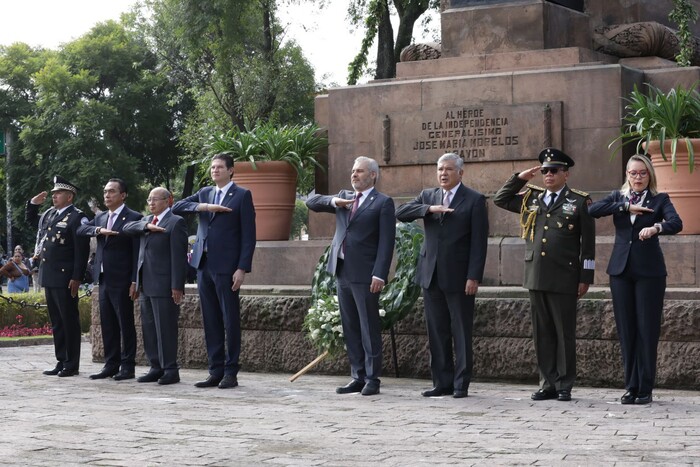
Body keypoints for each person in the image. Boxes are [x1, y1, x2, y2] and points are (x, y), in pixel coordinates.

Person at [494, 148, 595, 402]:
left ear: (566, 174)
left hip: (565, 276)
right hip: (536, 274)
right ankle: (547, 382)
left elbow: (589, 244)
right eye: (545, 171)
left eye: (554, 171)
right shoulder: (532, 198)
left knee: (563, 333)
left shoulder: (579, 201)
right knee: (543, 333)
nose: (548, 175)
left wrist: (586, 277)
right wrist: (521, 177)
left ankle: (564, 384)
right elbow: (501, 199)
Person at [588, 155, 682, 405]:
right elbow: (591, 210)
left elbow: (676, 222)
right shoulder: (617, 198)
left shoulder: (660, 199)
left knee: (646, 329)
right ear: (627, 175)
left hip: (649, 273)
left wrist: (656, 228)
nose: (637, 178)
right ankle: (630, 386)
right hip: (620, 270)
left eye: (642, 173)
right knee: (626, 330)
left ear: (649, 175)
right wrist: (624, 207)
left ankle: (645, 388)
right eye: (633, 173)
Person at [396, 153, 489, 399]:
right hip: (430, 275)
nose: (443, 174)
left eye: (448, 169)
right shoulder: (428, 196)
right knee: (437, 331)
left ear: (461, 172)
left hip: (460, 278)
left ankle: (461, 384)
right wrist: (429, 209)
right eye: (439, 169)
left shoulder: (474, 200)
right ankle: (441, 382)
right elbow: (401, 212)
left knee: (460, 331)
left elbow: (479, 243)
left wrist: (474, 276)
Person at [306, 156, 395, 396]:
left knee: (368, 327)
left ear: (373, 175)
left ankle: (372, 379)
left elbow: (386, 243)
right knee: (350, 327)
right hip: (342, 271)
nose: (354, 175)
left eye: (360, 171)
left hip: (366, 274)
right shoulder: (344, 196)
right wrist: (334, 201)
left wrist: (380, 274)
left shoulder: (383, 203)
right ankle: (357, 376)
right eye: (353, 171)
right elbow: (312, 202)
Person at [172, 154, 256, 389]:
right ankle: (215, 370)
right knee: (210, 320)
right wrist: (204, 206)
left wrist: (242, 268)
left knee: (229, 319)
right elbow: (178, 206)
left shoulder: (242, 195)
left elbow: (249, 236)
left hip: (227, 266)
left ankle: (231, 371)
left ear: (231, 171)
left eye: (220, 167)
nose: (215, 170)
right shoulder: (205, 193)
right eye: (212, 167)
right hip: (203, 264)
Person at [76, 178, 142, 381]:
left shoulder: (134, 217)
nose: (107, 195)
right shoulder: (101, 217)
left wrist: (134, 280)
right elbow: (81, 230)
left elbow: (136, 252)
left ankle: (127, 365)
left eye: (112, 191)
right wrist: (98, 230)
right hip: (103, 279)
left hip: (122, 279)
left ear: (123, 195)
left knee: (125, 323)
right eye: (105, 191)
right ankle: (111, 363)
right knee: (107, 323)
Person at [26, 176, 90, 377]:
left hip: (65, 277)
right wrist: (32, 205)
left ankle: (72, 364)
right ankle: (61, 360)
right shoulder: (49, 214)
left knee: (68, 320)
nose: (54, 196)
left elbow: (82, 250)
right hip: (49, 275)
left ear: (69, 196)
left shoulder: (77, 217)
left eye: (59, 193)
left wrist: (77, 276)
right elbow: (32, 223)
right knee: (57, 321)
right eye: (53, 193)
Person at [123, 187, 188, 385]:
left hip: (164, 284)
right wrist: (146, 227)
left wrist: (177, 285)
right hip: (146, 284)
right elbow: (126, 228)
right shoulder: (145, 221)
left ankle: (170, 368)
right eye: (149, 199)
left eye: (156, 199)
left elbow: (179, 258)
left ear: (168, 201)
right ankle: (155, 366)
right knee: (149, 328)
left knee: (165, 328)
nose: (151, 203)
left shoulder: (176, 222)